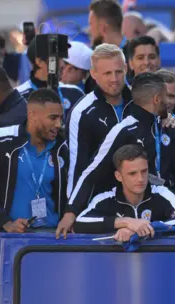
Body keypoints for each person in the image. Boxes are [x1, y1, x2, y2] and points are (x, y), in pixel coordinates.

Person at [58, 73, 175, 237]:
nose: (169, 103)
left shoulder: (168, 126)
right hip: (127, 211)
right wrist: (71, 211)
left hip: (164, 209)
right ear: (156, 99)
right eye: (165, 97)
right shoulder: (123, 130)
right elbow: (92, 172)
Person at [0, 89, 69, 256]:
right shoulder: (0, 139)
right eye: (53, 118)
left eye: (60, 118)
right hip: (10, 238)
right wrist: (6, 223)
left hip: (53, 238)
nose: (58, 125)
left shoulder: (63, 147)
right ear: (32, 116)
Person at [74, 144, 175, 236]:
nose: (140, 179)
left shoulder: (162, 193)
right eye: (132, 174)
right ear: (118, 176)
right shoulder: (105, 199)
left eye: (144, 171)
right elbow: (80, 223)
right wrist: (125, 222)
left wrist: (142, 229)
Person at [66, 44, 132, 198]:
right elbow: (76, 167)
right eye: (107, 73)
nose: (114, 79)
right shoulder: (82, 112)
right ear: (93, 74)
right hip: (101, 200)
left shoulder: (140, 102)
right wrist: (73, 210)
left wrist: (167, 118)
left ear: (126, 69)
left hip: (141, 199)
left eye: (118, 72)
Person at [126, 36, 175, 120]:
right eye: (140, 58)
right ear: (131, 63)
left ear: (159, 60)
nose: (146, 62)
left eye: (152, 57)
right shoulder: (123, 94)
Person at [16, 37, 84, 114]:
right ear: (40, 62)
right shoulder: (18, 97)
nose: (63, 65)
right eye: (57, 59)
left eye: (63, 58)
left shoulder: (74, 93)